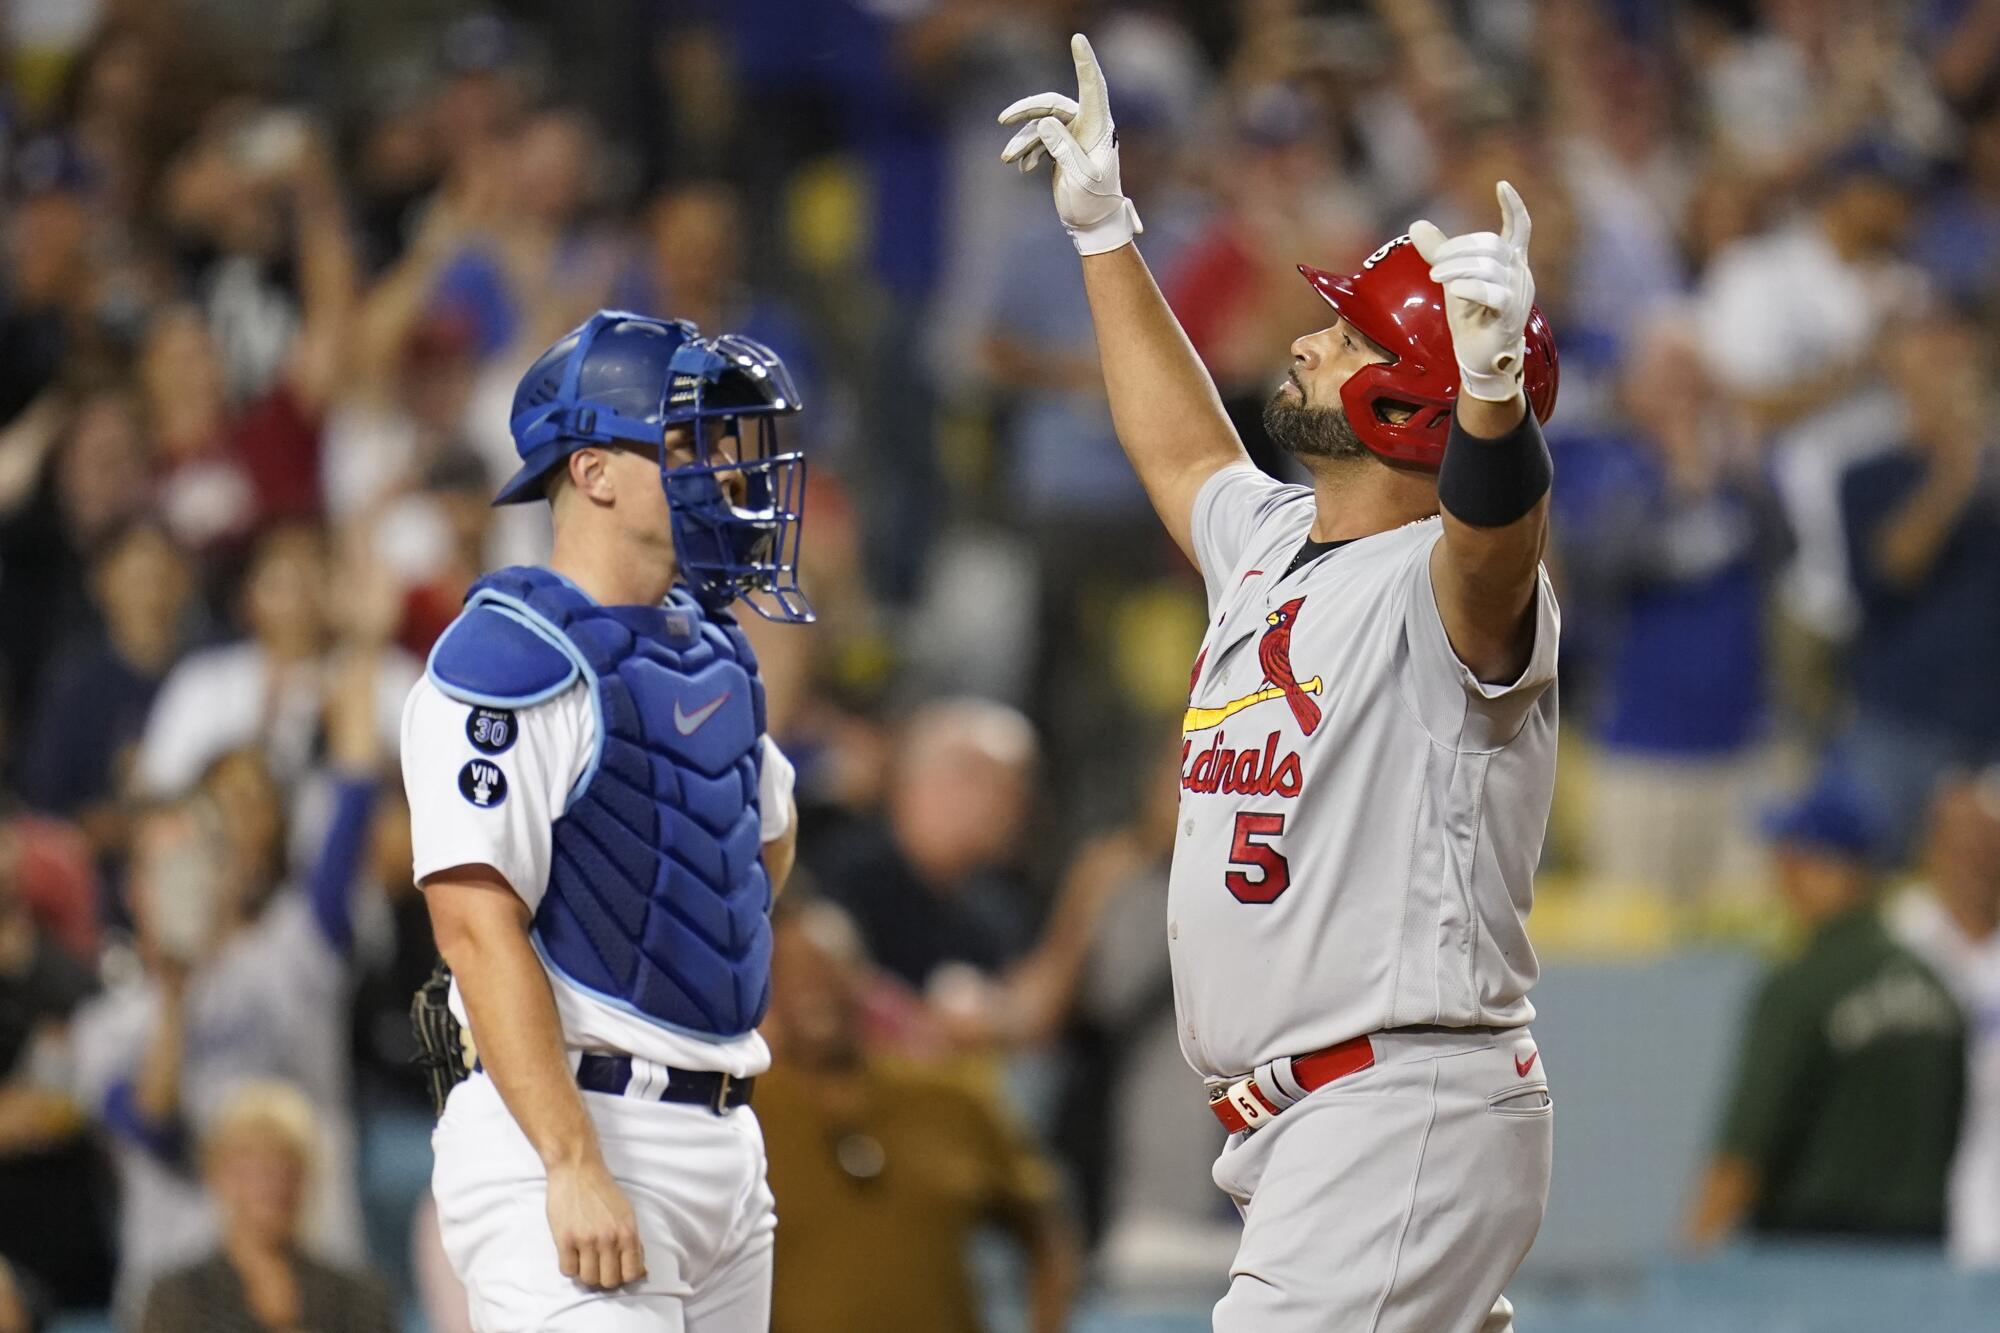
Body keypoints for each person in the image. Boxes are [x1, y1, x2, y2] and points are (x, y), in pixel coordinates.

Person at [998, 36, 1561, 1331]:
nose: (1307, 338)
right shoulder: (1272, 538)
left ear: (1411, 411)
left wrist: (1490, 403)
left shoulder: (1449, 583)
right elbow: (1179, 439)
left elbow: (1497, 551)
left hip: (1395, 1097)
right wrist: (1104, 235)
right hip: (1323, 1116)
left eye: (1351, 335)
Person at [405, 311, 806, 1332]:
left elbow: (754, 852)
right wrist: (570, 1158)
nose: (723, 469)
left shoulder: (709, 647)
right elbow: (471, 926)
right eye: (686, 442)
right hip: (577, 1123)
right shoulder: (505, 662)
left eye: (724, 442)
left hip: (722, 1133)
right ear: (592, 472)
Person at [757, 897, 1076, 1333]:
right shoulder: (744, 1115)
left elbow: (1047, 1236)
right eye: (788, 973)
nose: (812, 985)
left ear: (866, 980)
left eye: (827, 966)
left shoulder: (951, 1097)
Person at [1686, 773, 1965, 1248]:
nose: (1781, 873)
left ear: (1825, 867)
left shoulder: (1800, 986)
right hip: (1922, 1258)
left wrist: (1691, 1260)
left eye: (1793, 856)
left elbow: (1745, 1149)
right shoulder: (1935, 987)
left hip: (1813, 1257)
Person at [138, 1080, 396, 1333]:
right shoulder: (177, 1297)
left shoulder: (361, 1298)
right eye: (252, 1164)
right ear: (217, 1174)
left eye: (285, 1164)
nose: (271, 1181)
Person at [1889, 771, 2000, 1268]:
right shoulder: (1896, 936)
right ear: (1931, 848)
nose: (1974, 861)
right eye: (1960, 844)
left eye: (1987, 844)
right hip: (1902, 1181)